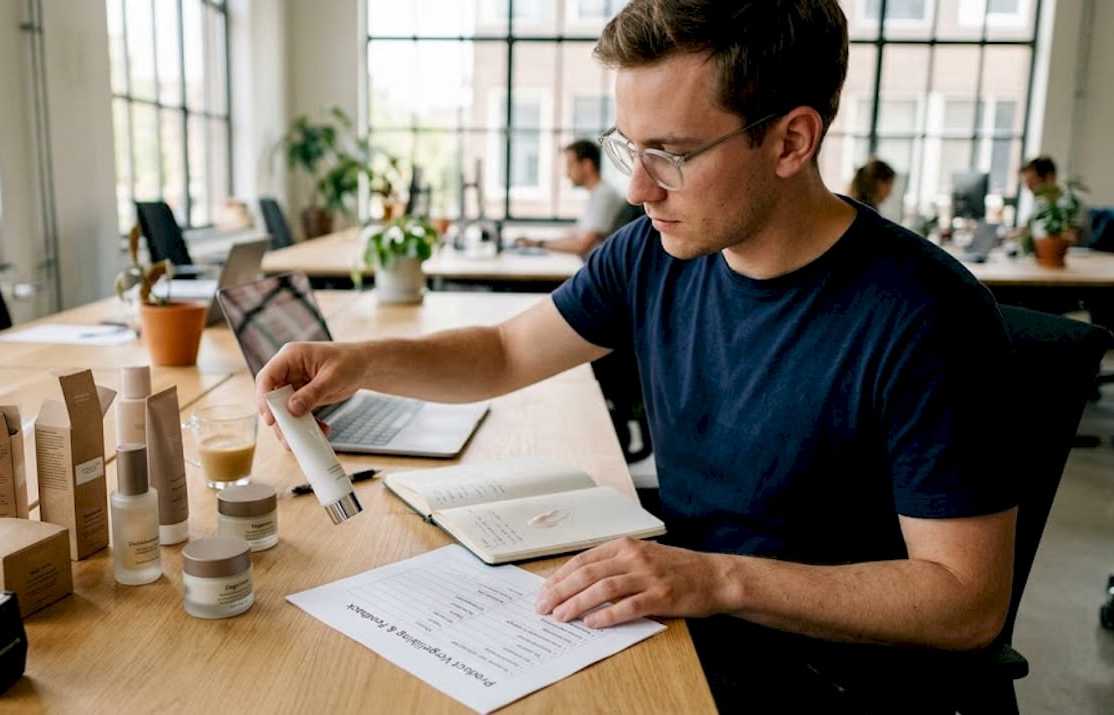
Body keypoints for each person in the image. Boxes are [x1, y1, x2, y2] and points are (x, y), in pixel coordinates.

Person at [258, 1, 1015, 710]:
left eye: (672, 153)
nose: (638, 186)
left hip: (833, 679)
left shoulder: (928, 316)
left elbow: (967, 601)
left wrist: (716, 578)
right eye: (630, 145)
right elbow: (502, 351)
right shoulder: (655, 253)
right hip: (688, 626)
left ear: (791, 140)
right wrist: (358, 361)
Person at [515, 140, 628, 257]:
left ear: (587, 165)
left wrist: (538, 244)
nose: (567, 173)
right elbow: (575, 236)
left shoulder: (605, 196)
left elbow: (581, 245)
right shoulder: (598, 194)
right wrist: (536, 242)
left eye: (570, 165)